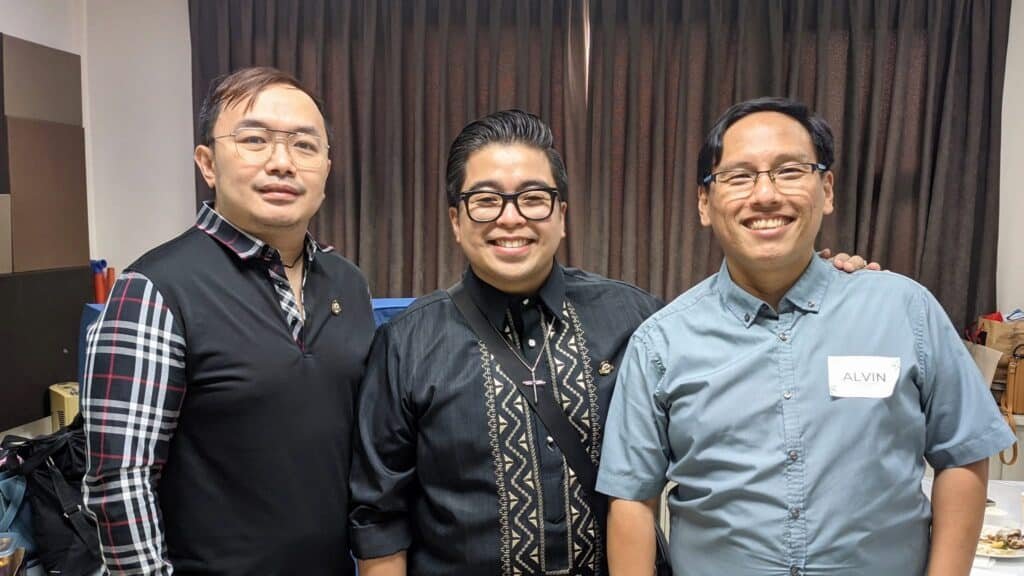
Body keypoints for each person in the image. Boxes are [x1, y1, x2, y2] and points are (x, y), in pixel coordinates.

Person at [348, 109, 871, 576]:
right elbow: (379, 517)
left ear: (561, 215)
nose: (512, 217)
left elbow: (745, 362)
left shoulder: (636, 317)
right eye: (486, 201)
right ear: (457, 221)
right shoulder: (406, 342)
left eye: (534, 198)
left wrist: (817, 282)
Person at [596, 97, 1015, 576]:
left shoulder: (905, 310)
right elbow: (632, 500)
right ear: (704, 204)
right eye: (739, 176)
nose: (766, 195)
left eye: (789, 170)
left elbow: (961, 455)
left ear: (827, 189)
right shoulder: (661, 343)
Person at [80, 67, 374, 575]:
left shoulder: (348, 284)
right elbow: (119, 483)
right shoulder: (154, 289)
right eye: (254, 140)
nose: (282, 163)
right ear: (208, 163)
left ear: (327, 168)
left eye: (305, 146)